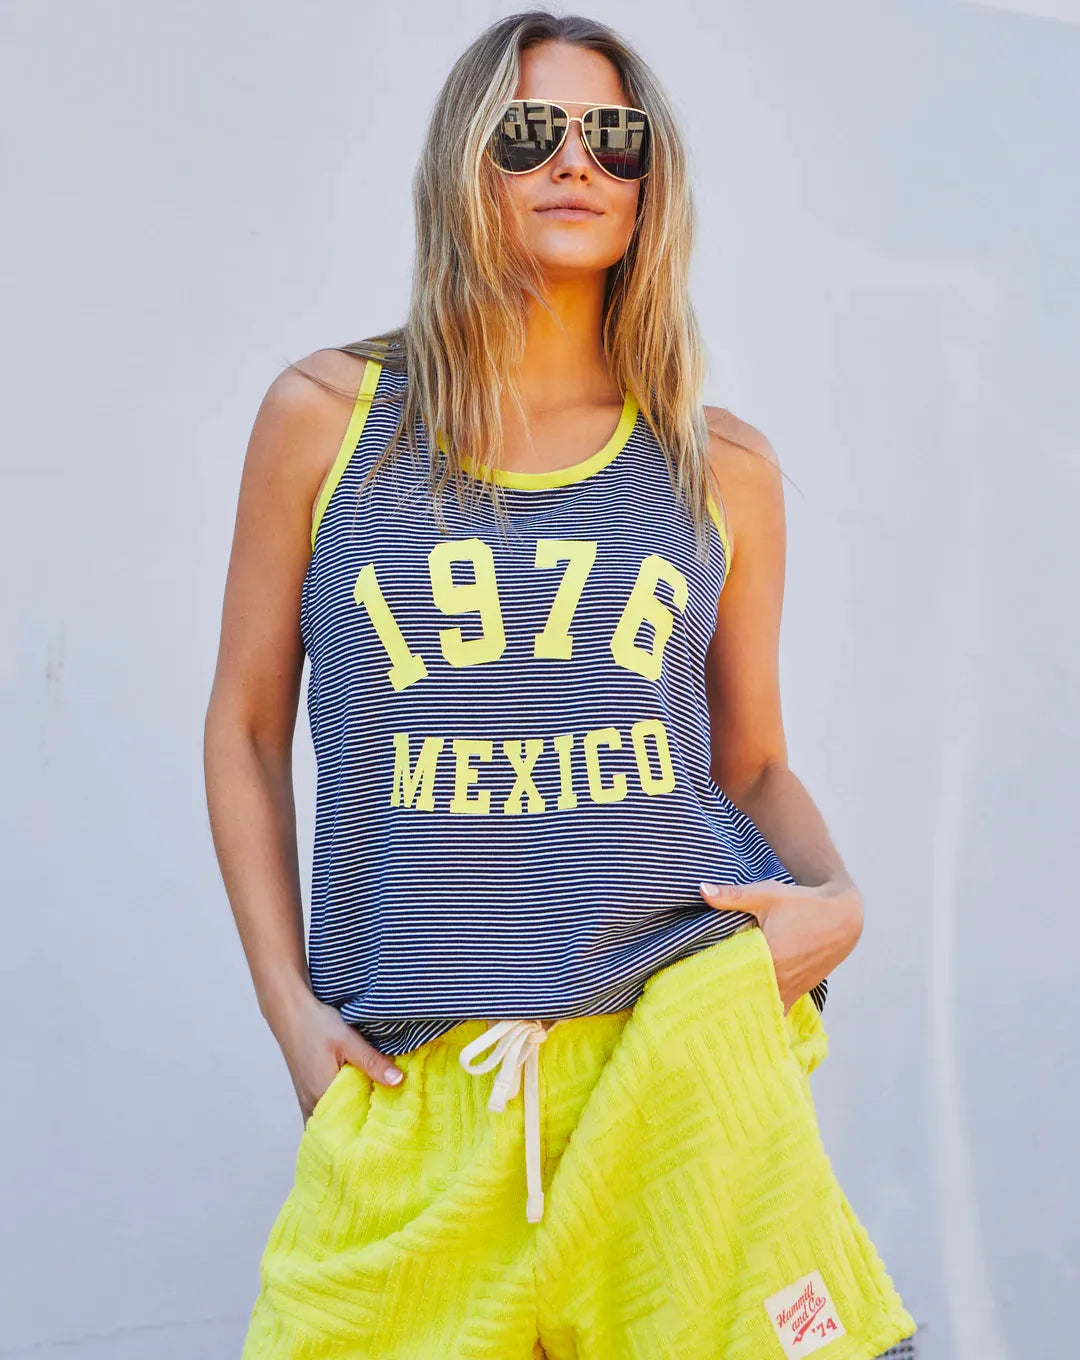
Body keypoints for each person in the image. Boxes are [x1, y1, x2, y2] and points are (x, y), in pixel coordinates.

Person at [204, 11, 918, 1359]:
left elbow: (753, 762)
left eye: (614, 137)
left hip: (678, 1055)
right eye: (531, 132)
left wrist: (838, 903)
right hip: (419, 1088)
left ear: (651, 182)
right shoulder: (329, 420)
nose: (575, 161)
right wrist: (290, 1011)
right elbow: (245, 726)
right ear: (466, 165)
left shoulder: (718, 467)